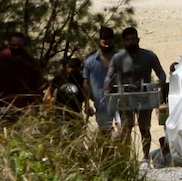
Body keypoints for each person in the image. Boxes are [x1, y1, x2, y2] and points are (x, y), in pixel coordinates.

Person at [104, 26, 167, 160]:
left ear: (138, 39)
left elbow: (161, 73)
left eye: (133, 39)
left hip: (144, 97)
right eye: (127, 40)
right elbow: (109, 76)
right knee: (126, 129)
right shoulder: (118, 58)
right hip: (125, 98)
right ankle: (127, 158)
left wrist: (160, 83)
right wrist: (107, 88)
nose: (131, 42)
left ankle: (145, 158)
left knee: (145, 128)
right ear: (124, 41)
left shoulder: (149, 56)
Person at [0, 31, 44, 115]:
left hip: (23, 103)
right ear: (9, 44)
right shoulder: (2, 58)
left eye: (19, 45)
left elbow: (37, 84)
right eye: (14, 45)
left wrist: (34, 103)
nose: (16, 48)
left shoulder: (30, 61)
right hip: (3, 100)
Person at [84, 26, 118, 135]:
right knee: (105, 133)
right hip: (101, 103)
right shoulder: (91, 62)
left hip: (120, 101)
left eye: (110, 42)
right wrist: (87, 104)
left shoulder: (122, 58)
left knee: (123, 132)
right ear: (99, 42)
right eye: (104, 43)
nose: (107, 45)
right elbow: (86, 83)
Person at [46, 56, 89, 125]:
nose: (71, 70)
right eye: (70, 67)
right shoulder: (60, 77)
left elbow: (86, 94)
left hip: (74, 112)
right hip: (59, 112)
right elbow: (50, 89)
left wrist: (87, 106)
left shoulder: (81, 80)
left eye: (74, 68)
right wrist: (49, 101)